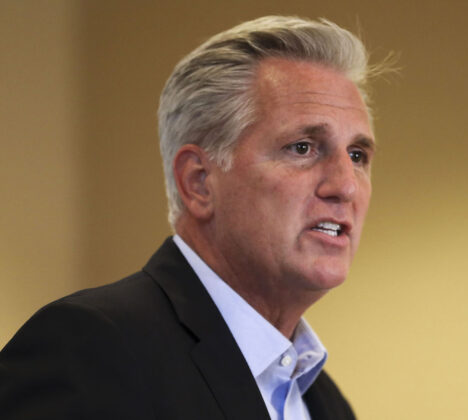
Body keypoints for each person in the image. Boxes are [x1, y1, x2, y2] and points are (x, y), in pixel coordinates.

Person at [0, 15, 387, 419]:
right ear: (199, 182)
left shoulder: (325, 404)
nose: (345, 186)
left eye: (358, 155)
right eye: (303, 148)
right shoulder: (89, 349)